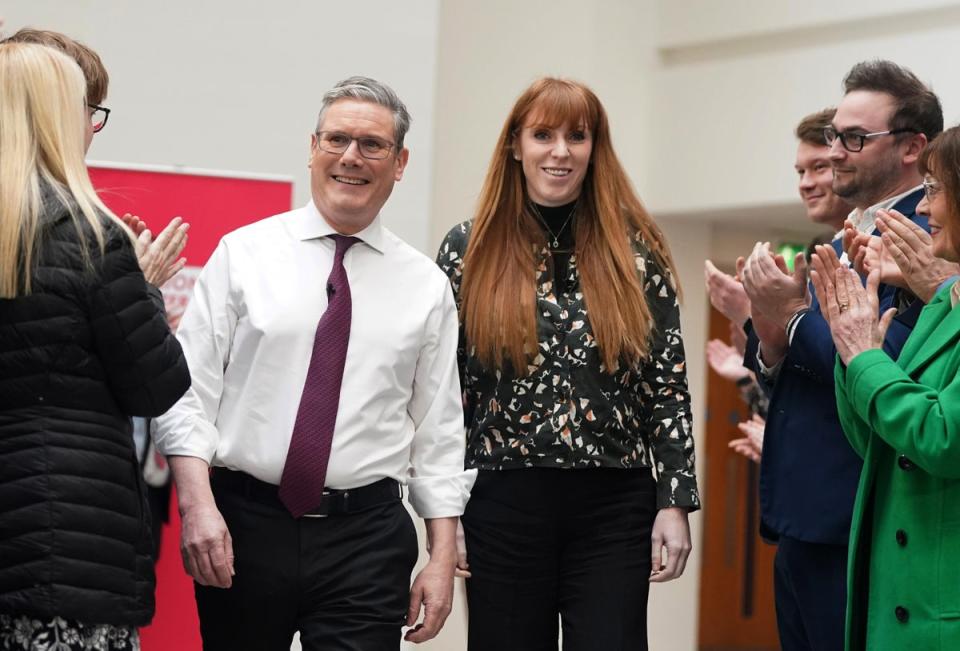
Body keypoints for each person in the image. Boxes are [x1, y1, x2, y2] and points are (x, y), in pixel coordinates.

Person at [153, 76, 475, 651]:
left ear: (400, 163)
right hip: (244, 526)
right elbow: (187, 392)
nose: (351, 157)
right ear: (312, 147)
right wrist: (197, 506)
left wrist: (441, 558)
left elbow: (440, 431)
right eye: (337, 139)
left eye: (372, 145)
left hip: (367, 539)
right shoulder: (243, 254)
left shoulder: (426, 286)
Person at [436, 77, 698, 651]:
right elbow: (443, 395)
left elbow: (666, 384)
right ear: (515, 145)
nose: (560, 151)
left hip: (614, 504)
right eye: (543, 135)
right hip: (501, 500)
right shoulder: (468, 248)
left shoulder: (636, 250)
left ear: (594, 147)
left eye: (576, 136)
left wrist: (675, 501)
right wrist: (443, 518)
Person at [741, 61, 942, 651]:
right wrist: (767, 327)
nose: (837, 152)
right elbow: (799, 360)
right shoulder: (840, 235)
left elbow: (891, 356)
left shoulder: (926, 235)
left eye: (855, 138)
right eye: (834, 135)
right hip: (805, 514)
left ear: (912, 147)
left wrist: (794, 317)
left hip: (859, 511)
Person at [0, 42, 190, 650]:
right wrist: (147, 287)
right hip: (69, 543)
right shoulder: (89, 237)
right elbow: (155, 382)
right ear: (58, 116)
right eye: (86, 110)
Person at [809, 125, 960, 650]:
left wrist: (868, 359)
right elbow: (878, 441)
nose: (923, 208)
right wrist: (853, 354)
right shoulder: (946, 303)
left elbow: (943, 438)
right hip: (899, 602)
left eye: (936, 190)